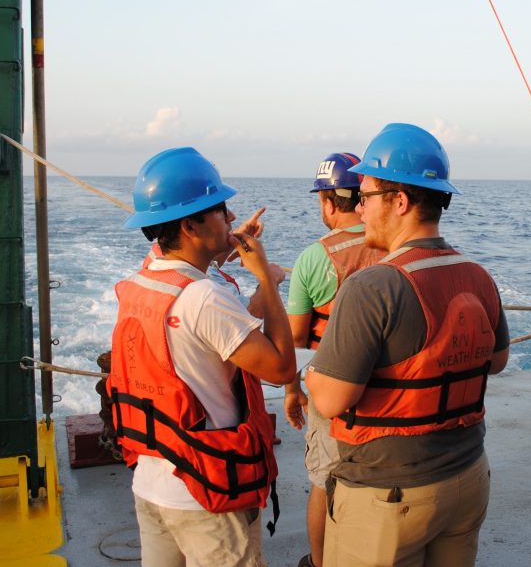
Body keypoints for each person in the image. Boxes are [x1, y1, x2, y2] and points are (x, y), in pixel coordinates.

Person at [305, 124, 510, 567]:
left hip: (388, 497)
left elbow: (330, 398)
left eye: (366, 195)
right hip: (468, 477)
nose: (359, 208)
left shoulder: (372, 286)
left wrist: (312, 371)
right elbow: (497, 362)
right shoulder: (478, 275)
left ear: (399, 201)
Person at [107, 147, 296, 567]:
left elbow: (218, 331)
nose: (231, 218)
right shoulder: (205, 299)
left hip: (153, 485)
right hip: (205, 494)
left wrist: (224, 250)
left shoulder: (146, 278)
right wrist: (266, 278)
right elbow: (281, 368)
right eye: (220, 210)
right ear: (190, 224)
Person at [283, 152, 386, 567]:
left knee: (324, 482)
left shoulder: (313, 258)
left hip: (331, 396)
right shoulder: (393, 245)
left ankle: (322, 562)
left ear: (328, 202)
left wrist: (293, 392)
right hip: (387, 394)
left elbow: (295, 342)